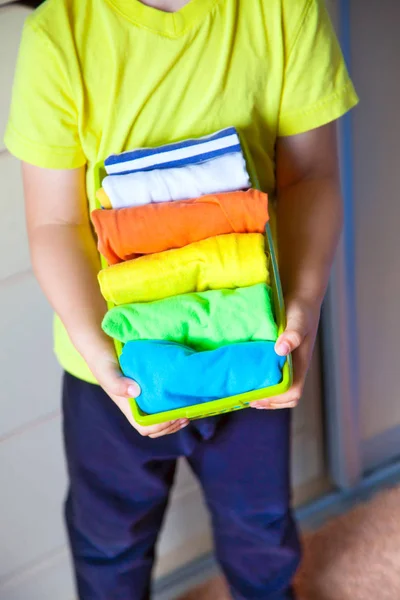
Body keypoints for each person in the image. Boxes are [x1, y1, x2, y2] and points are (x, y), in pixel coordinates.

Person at [4, 0, 358, 598]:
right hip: (110, 362)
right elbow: (54, 224)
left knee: (260, 524)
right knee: (109, 539)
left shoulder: (283, 11)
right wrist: (103, 359)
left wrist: (305, 305)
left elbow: (311, 178)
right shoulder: (61, 34)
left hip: (253, 341)